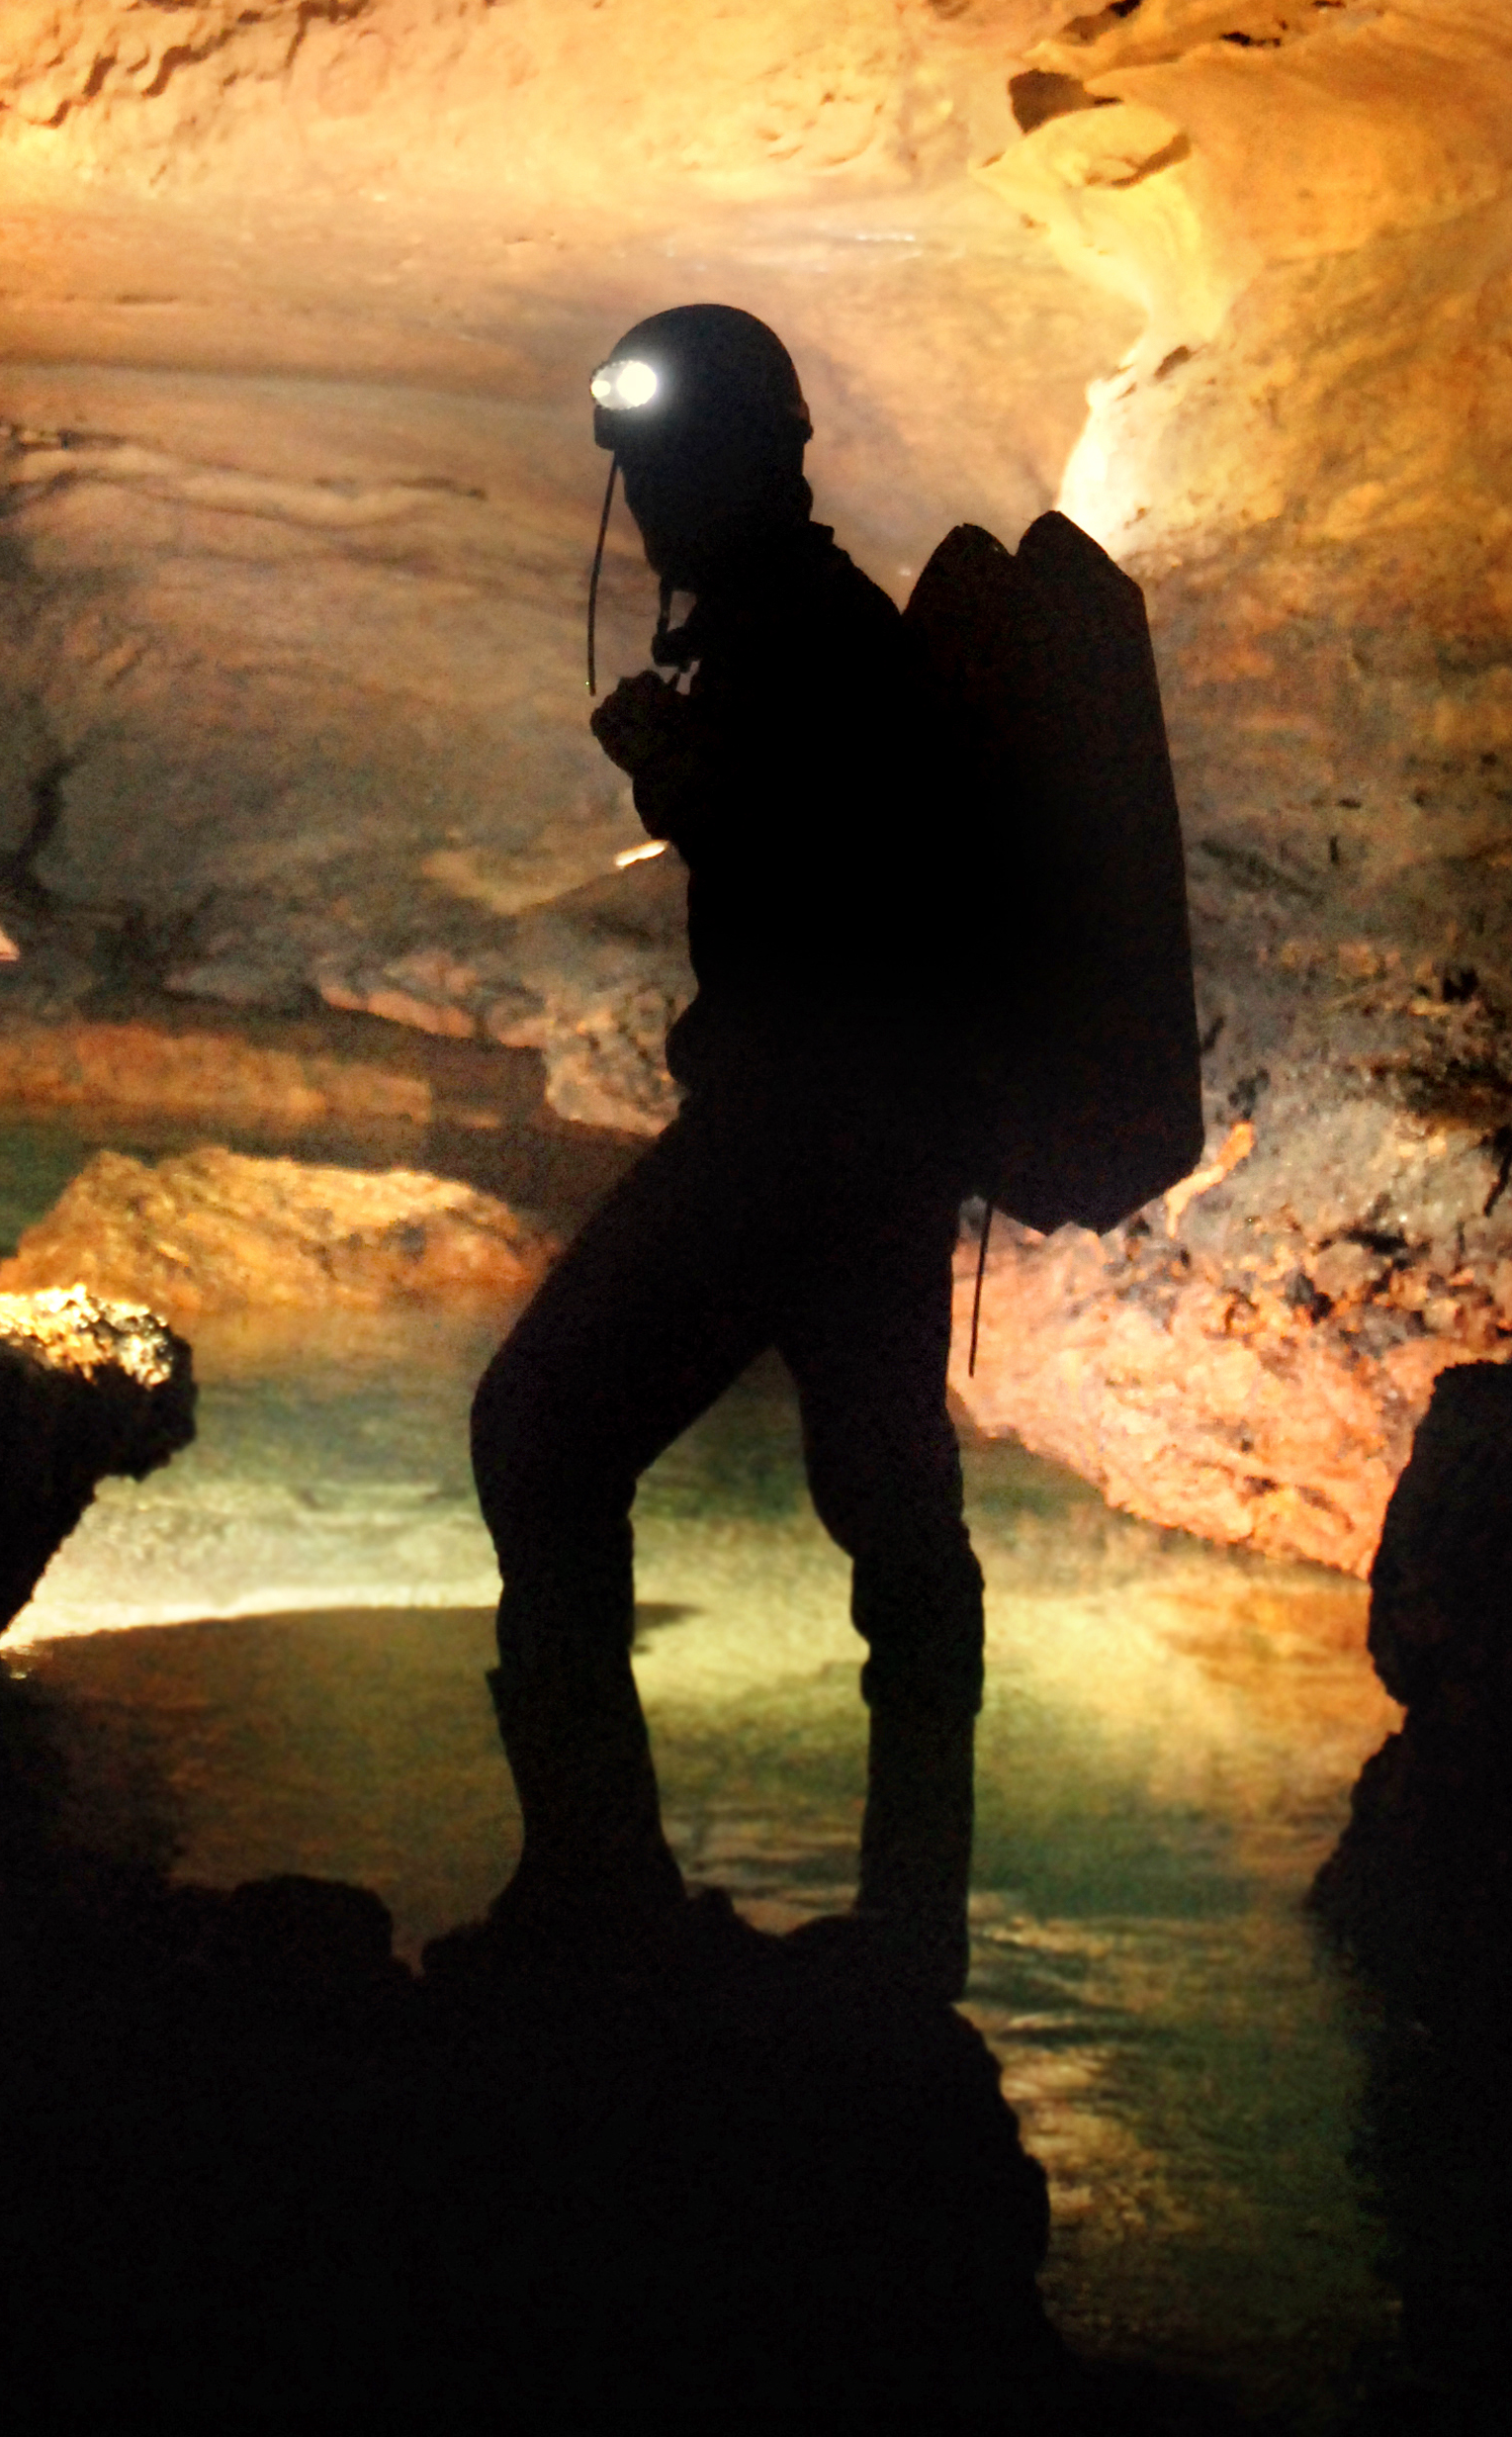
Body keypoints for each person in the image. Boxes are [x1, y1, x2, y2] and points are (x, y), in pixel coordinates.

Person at [464, 303, 985, 1987]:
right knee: (890, 1514)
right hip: (869, 1150)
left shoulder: (814, 638)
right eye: (647, 473)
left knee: (541, 1433)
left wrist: (693, 780)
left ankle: (597, 1894)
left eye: (672, 467)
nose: (655, 504)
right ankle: (913, 1936)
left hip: (802, 1138)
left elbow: (853, 870)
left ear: (757, 462)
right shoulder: (791, 625)